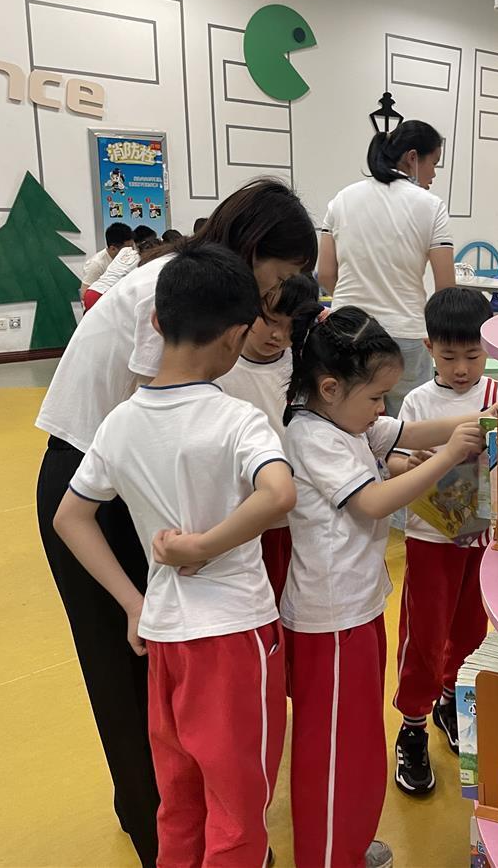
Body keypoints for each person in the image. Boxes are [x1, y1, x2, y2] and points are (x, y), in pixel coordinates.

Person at [33, 178, 316, 867]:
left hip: (118, 484)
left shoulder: (189, 284)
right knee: (129, 686)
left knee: (156, 692)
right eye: (280, 277)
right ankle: (159, 836)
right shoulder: (167, 292)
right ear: (253, 250)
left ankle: (171, 830)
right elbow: (167, 422)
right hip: (99, 482)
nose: (274, 298)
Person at [280, 306, 498, 868]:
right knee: (333, 748)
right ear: (330, 388)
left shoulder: (345, 421)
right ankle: (329, 854)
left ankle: (347, 843)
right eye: (376, 397)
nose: (383, 408)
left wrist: (484, 419)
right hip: (329, 619)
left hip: (356, 609)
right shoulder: (315, 436)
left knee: (356, 740)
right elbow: (374, 501)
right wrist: (450, 455)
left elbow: (408, 433)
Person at [387, 289, 498, 794]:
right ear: (429, 348)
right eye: (449, 356)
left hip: (484, 539)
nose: (462, 368)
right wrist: (412, 464)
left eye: (473, 355)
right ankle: (412, 725)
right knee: (424, 635)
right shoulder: (418, 402)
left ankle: (449, 699)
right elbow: (393, 458)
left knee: (470, 628)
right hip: (431, 538)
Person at [319, 120, 454, 416]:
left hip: (346, 331)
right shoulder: (431, 206)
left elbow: (326, 273)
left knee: (346, 425)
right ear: (412, 157)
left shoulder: (341, 199)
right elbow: (446, 288)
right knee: (407, 428)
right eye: (434, 163)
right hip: (405, 332)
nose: (433, 174)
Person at [217, 272, 320, 601]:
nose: (278, 334)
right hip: (237, 513)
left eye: (291, 327)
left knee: (287, 603)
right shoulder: (220, 366)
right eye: (270, 320)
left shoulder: (305, 363)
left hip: (292, 517)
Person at [83, 225, 159, 312]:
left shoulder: (124, 251)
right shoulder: (95, 263)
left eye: (132, 245)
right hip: (103, 295)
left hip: (94, 293)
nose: (131, 248)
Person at [82, 222, 134, 295]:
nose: (131, 251)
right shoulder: (96, 264)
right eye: (127, 248)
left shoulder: (131, 257)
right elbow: (85, 295)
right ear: (113, 249)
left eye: (132, 246)